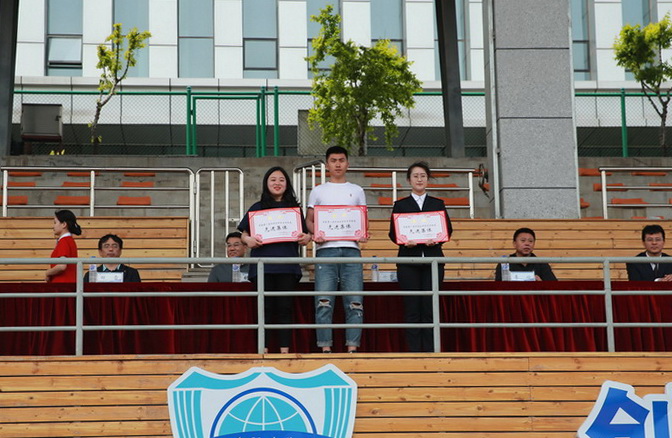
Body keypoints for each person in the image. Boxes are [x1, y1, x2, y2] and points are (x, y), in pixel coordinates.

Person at [238, 166, 311, 353]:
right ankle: (264, 349)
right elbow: (244, 234)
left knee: (285, 308)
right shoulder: (257, 207)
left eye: (281, 180)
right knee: (265, 309)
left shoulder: (294, 210)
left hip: (287, 266)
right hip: (263, 267)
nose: (277, 183)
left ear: (287, 184)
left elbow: (305, 235)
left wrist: (307, 238)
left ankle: (284, 350)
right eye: (273, 179)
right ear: (266, 183)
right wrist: (248, 240)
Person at [306, 146, 368, 353]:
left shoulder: (357, 190)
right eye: (333, 160)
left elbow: (363, 220)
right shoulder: (318, 190)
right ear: (327, 165)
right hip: (326, 250)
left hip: (351, 250)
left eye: (341, 160)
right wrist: (315, 233)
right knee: (324, 302)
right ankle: (325, 347)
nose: (338, 164)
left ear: (347, 164)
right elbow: (309, 220)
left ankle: (352, 347)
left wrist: (362, 233)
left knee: (355, 302)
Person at [388, 162, 453, 353]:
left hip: (433, 260)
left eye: (423, 175)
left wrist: (437, 240)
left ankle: (432, 351)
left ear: (428, 179)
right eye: (415, 176)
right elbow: (393, 233)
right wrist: (404, 241)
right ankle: (415, 352)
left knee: (430, 307)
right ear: (409, 180)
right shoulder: (400, 205)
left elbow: (447, 229)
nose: (419, 179)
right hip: (408, 262)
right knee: (412, 307)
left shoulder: (437, 203)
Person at [45, 209, 82, 283]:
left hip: (62, 284)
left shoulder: (64, 241)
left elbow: (61, 266)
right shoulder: (69, 240)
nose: (53, 226)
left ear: (64, 224)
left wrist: (48, 272)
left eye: (55, 223)